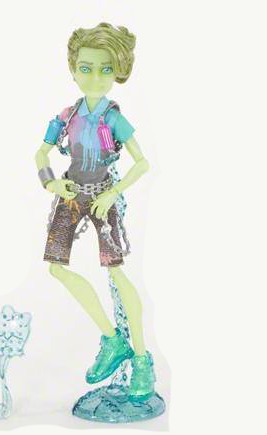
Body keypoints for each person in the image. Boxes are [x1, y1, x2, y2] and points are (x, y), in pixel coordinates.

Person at [35, 22, 156, 402]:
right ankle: (111, 338)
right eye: (86, 68)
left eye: (106, 69)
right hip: (71, 193)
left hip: (103, 195)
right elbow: (41, 153)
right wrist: (51, 184)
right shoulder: (66, 116)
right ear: (73, 69)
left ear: (118, 72)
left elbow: (142, 163)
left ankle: (141, 358)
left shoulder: (113, 118)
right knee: (56, 266)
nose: (95, 77)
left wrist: (113, 193)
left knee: (116, 272)